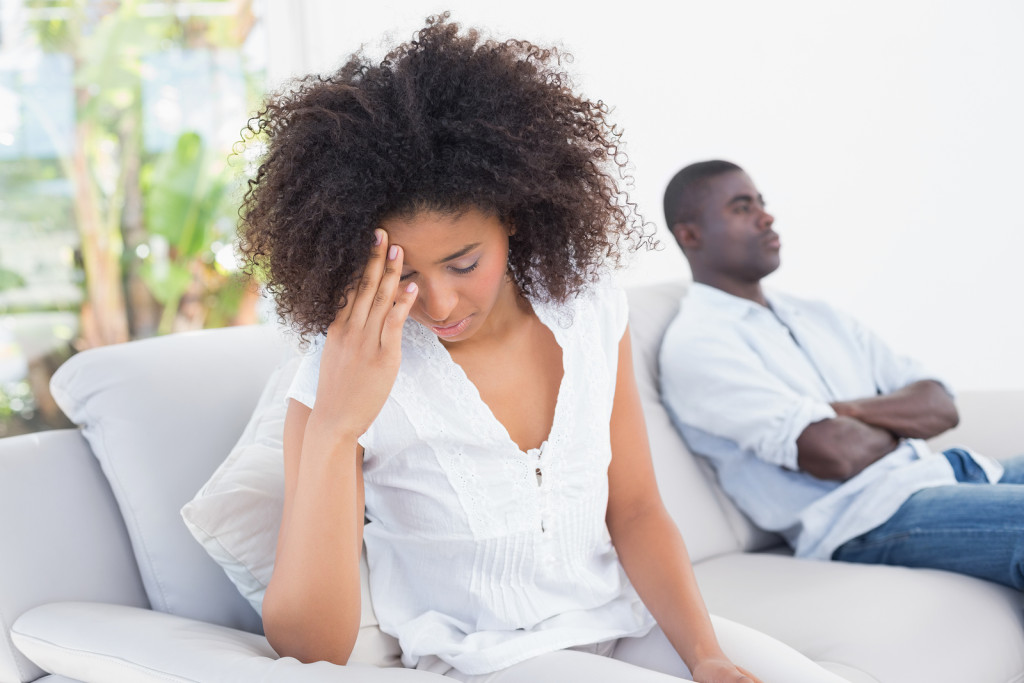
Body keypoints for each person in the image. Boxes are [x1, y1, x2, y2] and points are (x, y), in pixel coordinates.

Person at [236, 16, 843, 683]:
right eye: (404, 274)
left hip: (623, 626)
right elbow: (309, 645)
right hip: (490, 661)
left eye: (464, 262)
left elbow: (636, 510)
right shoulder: (342, 371)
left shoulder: (585, 306)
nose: (439, 304)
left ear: (515, 214)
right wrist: (336, 425)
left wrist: (705, 655)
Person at [659, 160, 1024, 589]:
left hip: (940, 473)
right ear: (690, 235)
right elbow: (836, 453)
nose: (767, 215)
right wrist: (897, 424)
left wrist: (839, 410)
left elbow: (941, 405)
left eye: (762, 202)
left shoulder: (820, 316)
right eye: (742, 207)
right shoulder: (699, 344)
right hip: (865, 519)